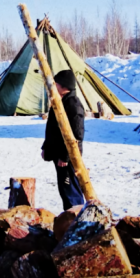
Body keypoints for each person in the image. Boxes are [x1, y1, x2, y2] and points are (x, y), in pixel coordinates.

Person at [41, 70, 85, 211]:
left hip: (67, 155)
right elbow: (53, 128)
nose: (54, 86)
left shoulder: (72, 104)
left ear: (64, 86)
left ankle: (76, 217)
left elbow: (77, 134)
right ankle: (68, 217)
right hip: (58, 152)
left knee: (70, 188)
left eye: (57, 83)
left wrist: (66, 156)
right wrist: (46, 147)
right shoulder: (59, 101)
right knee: (64, 188)